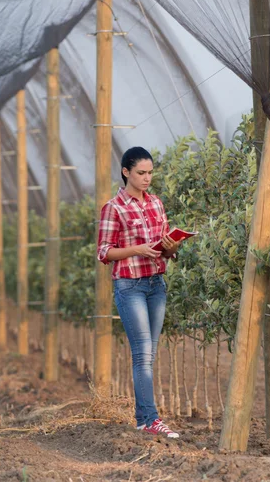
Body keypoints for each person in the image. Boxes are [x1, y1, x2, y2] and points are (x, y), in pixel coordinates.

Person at [97, 146, 181, 438]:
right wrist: (137, 250)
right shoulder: (114, 208)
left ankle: (143, 420)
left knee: (149, 354)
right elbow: (104, 252)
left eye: (150, 173)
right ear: (126, 172)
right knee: (142, 354)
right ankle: (152, 420)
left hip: (156, 284)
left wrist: (171, 248)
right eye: (141, 173)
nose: (147, 178)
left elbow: (165, 243)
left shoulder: (156, 203)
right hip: (129, 286)